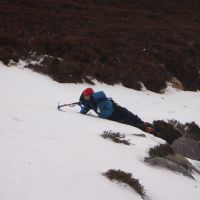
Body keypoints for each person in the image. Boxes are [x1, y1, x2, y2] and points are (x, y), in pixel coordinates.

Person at [79, 87, 157, 134]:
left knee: (131, 115)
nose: (85, 97)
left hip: (116, 108)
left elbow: (101, 93)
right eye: (84, 96)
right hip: (112, 116)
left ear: (92, 94)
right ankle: (145, 129)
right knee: (128, 121)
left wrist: (92, 98)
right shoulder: (89, 103)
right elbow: (84, 110)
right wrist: (83, 107)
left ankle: (143, 123)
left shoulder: (99, 96)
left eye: (87, 95)